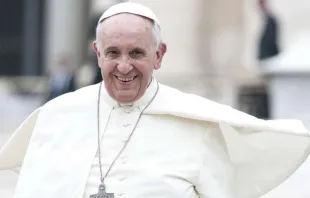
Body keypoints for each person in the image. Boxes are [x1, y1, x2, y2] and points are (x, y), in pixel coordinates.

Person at [0, 2, 310, 198]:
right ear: (97, 54)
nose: (124, 66)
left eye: (137, 53)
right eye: (113, 53)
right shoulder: (56, 117)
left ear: (159, 55)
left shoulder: (197, 127)